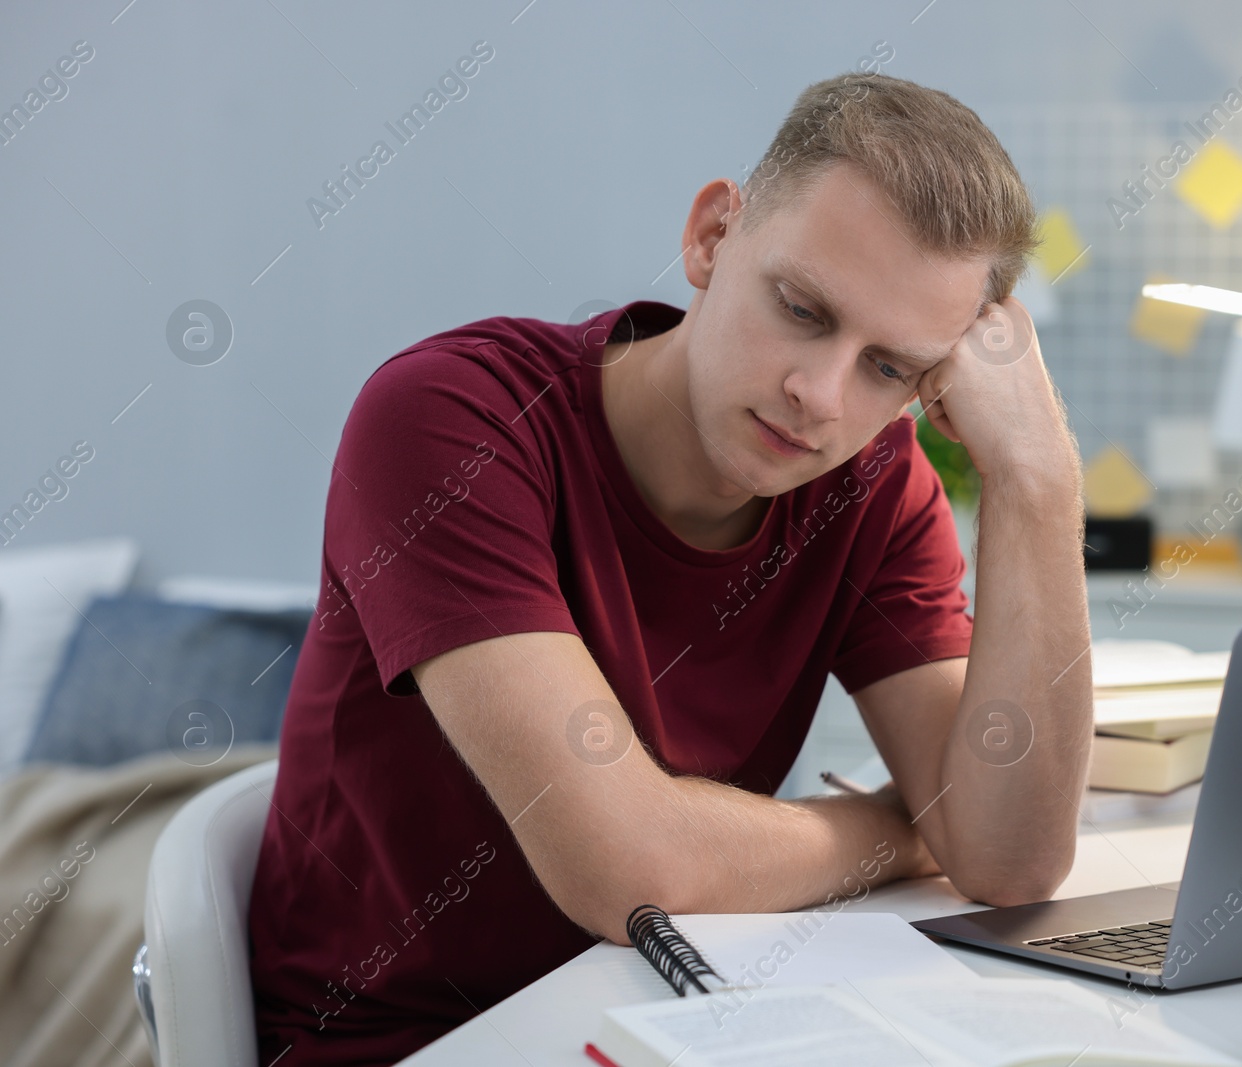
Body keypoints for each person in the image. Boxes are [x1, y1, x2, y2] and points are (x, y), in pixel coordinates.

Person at [248, 69, 1093, 1065]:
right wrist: (907, 828)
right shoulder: (448, 421)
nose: (818, 396)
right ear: (710, 235)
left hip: (670, 1017)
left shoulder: (872, 484)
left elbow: (1008, 856)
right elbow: (629, 866)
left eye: (889, 367)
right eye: (803, 309)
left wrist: (1038, 478)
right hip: (410, 1043)